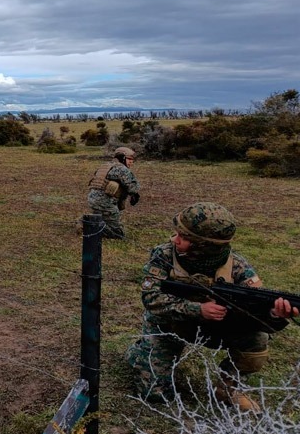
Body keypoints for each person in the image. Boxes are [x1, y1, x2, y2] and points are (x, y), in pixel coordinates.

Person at [125, 202, 298, 410]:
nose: (175, 239)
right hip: (170, 325)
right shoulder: (164, 255)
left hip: (215, 328)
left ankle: (228, 388)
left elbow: (258, 321)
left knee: (257, 339)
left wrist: (274, 314)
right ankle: (138, 353)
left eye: (184, 238)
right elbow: (151, 298)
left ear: (203, 247)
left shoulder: (238, 268)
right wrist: (198, 310)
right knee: (156, 395)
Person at [87, 146, 140, 238]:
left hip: (93, 201)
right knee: (118, 234)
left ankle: (91, 221)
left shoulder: (105, 166)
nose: (132, 162)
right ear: (123, 158)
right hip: (105, 204)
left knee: (106, 219)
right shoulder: (122, 169)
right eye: (129, 159)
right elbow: (133, 187)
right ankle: (88, 226)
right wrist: (135, 195)